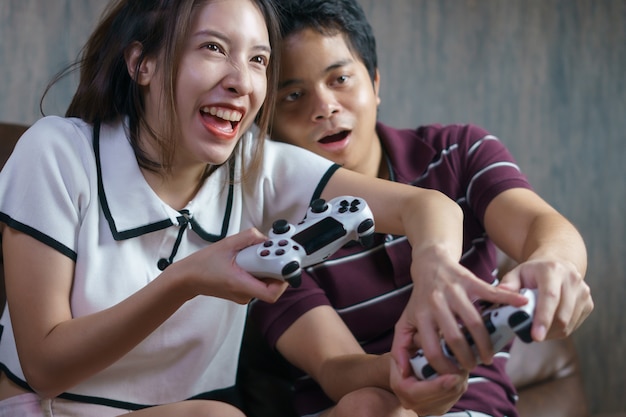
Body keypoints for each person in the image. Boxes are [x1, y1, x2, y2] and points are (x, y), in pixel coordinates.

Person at [0, 0, 496, 416]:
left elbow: (428, 207)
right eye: (214, 48)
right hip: (48, 409)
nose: (242, 82)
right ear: (141, 63)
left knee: (374, 407)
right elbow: (44, 365)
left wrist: (430, 285)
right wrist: (186, 279)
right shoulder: (58, 153)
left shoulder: (257, 165)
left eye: (258, 60)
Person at [242, 0, 594, 416]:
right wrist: (408, 369)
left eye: (340, 79)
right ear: (267, 121)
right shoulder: (268, 234)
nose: (324, 106)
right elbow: (336, 368)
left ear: (375, 83)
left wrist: (555, 264)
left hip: (473, 403)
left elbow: (542, 226)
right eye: (293, 95)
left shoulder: (456, 153)